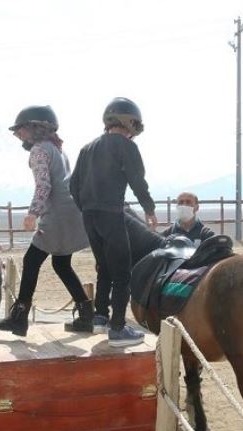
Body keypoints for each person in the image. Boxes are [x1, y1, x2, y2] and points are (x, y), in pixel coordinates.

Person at [0, 106, 93, 336]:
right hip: (72, 213)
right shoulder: (58, 149)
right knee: (61, 264)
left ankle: (19, 317)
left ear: (37, 128)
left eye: (22, 130)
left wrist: (33, 213)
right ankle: (86, 314)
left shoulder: (38, 150)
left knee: (31, 260)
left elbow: (44, 185)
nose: (18, 135)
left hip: (56, 215)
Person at [70, 97, 157, 347]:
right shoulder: (125, 146)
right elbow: (137, 181)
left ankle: (100, 318)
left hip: (90, 217)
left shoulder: (86, 148)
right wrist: (149, 209)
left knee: (104, 267)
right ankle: (118, 329)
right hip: (111, 214)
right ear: (128, 122)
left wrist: (86, 208)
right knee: (122, 272)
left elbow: (73, 185)